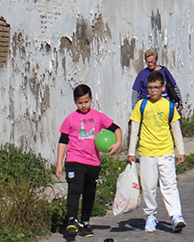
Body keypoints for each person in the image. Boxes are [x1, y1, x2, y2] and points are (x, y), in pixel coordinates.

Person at [57, 84, 122, 237]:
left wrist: (118, 143)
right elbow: (63, 141)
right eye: (80, 103)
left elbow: (116, 128)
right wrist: (59, 163)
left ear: (91, 99)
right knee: (75, 188)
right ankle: (72, 219)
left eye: (86, 102)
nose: (83, 105)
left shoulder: (98, 116)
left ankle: (84, 223)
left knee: (89, 192)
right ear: (75, 102)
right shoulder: (70, 119)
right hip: (74, 159)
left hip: (92, 162)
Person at [129, 71, 185, 232]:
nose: (152, 91)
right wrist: (131, 152)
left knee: (169, 184)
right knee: (148, 185)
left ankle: (176, 215)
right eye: (150, 88)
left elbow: (176, 129)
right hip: (147, 152)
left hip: (166, 150)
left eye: (156, 87)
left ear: (163, 88)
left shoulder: (168, 106)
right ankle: (150, 215)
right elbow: (134, 129)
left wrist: (180, 151)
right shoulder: (142, 105)